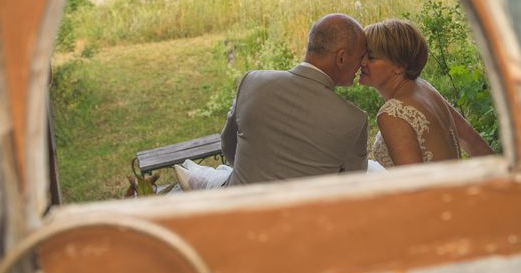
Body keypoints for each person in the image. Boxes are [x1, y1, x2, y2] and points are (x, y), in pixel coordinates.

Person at [175, 13, 369, 190]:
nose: (363, 64)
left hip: (236, 205)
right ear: (341, 58)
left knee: (218, 178)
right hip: (300, 220)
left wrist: (255, 173)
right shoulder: (353, 120)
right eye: (361, 57)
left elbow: (228, 145)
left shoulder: (252, 81)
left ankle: (200, 179)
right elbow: (352, 184)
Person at [359, 18, 493, 167]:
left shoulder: (392, 114)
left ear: (399, 66)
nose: (362, 62)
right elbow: (472, 140)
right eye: (362, 55)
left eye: (370, 57)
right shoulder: (424, 87)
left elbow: (414, 185)